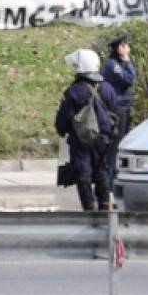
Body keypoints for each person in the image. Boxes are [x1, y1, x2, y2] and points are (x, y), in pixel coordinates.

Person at [54, 48, 117, 212]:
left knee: (84, 176)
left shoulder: (74, 91)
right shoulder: (108, 88)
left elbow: (63, 120)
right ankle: (105, 209)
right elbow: (113, 111)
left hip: (81, 141)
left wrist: (62, 130)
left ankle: (89, 210)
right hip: (104, 140)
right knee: (102, 173)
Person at [101, 35, 136, 185]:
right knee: (115, 145)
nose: (128, 48)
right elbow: (130, 79)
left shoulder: (118, 64)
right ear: (119, 48)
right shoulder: (112, 65)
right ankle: (110, 180)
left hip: (123, 107)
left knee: (120, 143)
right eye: (125, 46)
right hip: (117, 108)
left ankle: (114, 177)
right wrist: (127, 59)